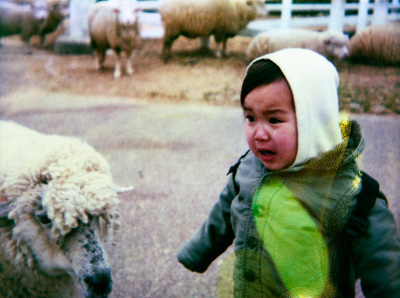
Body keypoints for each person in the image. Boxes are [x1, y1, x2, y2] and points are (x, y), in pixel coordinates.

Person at [177, 48, 400, 297]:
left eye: (274, 120)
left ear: (314, 119)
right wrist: (197, 252)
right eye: (250, 117)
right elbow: (225, 210)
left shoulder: (355, 196)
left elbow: (386, 275)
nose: (258, 133)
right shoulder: (249, 167)